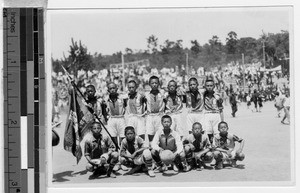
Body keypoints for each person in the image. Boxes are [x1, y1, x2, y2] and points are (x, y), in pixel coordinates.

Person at [144, 76, 165, 143]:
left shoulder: (162, 93)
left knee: (160, 133)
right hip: (150, 116)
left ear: (159, 84)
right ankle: (151, 146)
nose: (154, 84)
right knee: (150, 133)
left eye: (156, 83)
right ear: (149, 84)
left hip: (159, 116)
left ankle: (160, 147)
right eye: (152, 83)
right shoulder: (146, 94)